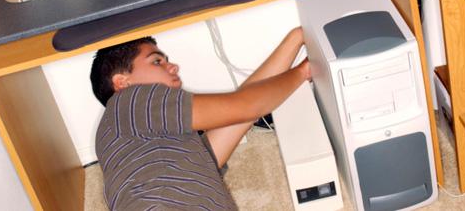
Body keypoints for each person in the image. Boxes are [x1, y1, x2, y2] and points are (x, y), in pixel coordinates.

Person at [90, 27, 310, 210]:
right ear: (122, 82)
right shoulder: (129, 101)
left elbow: (243, 114)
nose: (173, 66)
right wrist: (302, 72)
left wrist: (296, 39)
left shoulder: (163, 151)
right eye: (156, 61)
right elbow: (246, 106)